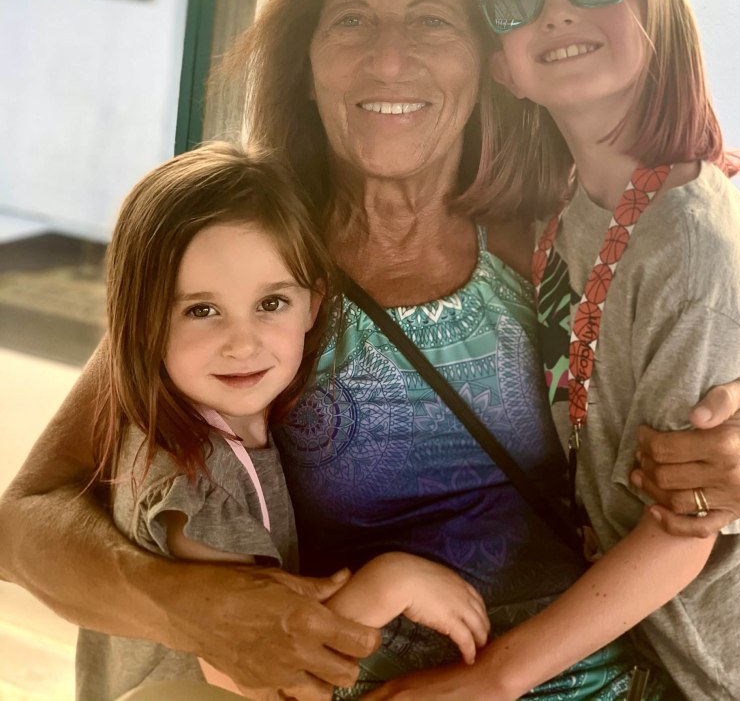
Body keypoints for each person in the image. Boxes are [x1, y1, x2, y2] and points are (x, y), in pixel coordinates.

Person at [1, 0, 740, 701]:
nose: (389, 60)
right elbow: (27, 522)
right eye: (353, 21)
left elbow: (706, 343)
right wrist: (197, 605)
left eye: (434, 20)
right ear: (307, 59)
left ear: (491, 58)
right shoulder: (245, 263)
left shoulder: (563, 234)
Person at [367, 0, 740, 701]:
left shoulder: (688, 242)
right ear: (501, 63)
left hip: (713, 669)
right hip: (623, 637)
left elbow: (684, 524)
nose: (555, 9)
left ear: (662, 10)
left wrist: (493, 680)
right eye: (517, 0)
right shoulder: (573, 207)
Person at [76, 140, 490, 700]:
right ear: (141, 321)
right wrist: (393, 583)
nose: (243, 344)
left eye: (271, 303)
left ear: (313, 305)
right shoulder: (196, 486)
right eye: (202, 310)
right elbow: (249, 666)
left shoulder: (206, 429)